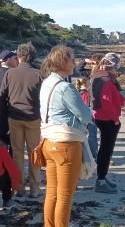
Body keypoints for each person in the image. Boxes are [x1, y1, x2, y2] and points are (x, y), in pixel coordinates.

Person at [39, 45, 94, 226]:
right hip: (65, 144)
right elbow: (86, 115)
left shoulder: (47, 82)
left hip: (48, 141)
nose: (75, 62)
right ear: (63, 62)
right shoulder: (65, 87)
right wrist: (87, 93)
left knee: (52, 192)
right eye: (72, 59)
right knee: (65, 196)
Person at [0, 43, 44, 197]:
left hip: (14, 117)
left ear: (19, 56)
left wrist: (1, 120)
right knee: (34, 153)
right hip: (33, 117)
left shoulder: (10, 74)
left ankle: (19, 186)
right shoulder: (39, 74)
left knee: (17, 153)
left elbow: (2, 97)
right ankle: (35, 187)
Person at [90, 52, 125, 194]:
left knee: (105, 150)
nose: (117, 70)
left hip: (99, 116)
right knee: (106, 150)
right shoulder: (106, 80)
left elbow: (107, 97)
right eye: (116, 67)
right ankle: (101, 180)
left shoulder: (97, 76)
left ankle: (102, 176)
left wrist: (120, 99)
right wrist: (115, 118)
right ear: (112, 66)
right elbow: (105, 101)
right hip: (107, 119)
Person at [0, 50, 17, 146]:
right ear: (8, 60)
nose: (17, 60)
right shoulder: (12, 73)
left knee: (3, 140)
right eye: (15, 58)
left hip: (0, 106)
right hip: (12, 109)